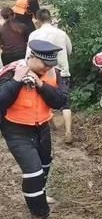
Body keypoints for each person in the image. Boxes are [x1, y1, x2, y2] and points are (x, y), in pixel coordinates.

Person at [0, 40, 68, 219]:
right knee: (33, 172)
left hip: (42, 128)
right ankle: (38, 213)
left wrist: (40, 84)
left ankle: (41, 194)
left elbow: (60, 100)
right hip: (16, 130)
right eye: (44, 64)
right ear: (31, 57)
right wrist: (16, 81)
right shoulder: (11, 72)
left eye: (51, 65)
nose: (48, 68)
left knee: (45, 166)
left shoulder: (53, 75)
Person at [27, 9, 74, 143]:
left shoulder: (34, 34)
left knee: (44, 98)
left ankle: (50, 126)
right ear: (51, 18)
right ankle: (68, 132)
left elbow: (28, 56)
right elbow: (69, 50)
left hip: (42, 74)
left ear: (37, 20)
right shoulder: (61, 33)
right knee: (65, 103)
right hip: (62, 71)